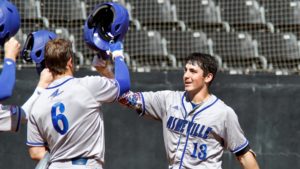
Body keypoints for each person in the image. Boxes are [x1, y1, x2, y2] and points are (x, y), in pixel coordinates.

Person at [118, 53, 260, 169]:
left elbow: (244, 156)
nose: (186, 75)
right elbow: (126, 98)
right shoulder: (168, 100)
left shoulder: (223, 113)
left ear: (208, 77)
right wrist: (114, 58)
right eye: (185, 70)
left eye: (193, 71)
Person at [26, 38, 130, 169]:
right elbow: (123, 86)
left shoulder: (37, 103)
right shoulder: (88, 86)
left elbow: (35, 152)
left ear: (47, 66)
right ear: (70, 62)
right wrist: (117, 54)